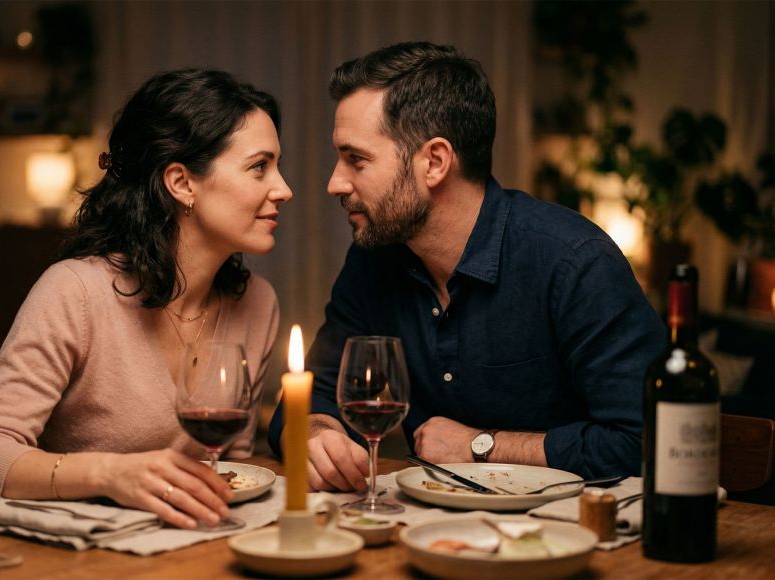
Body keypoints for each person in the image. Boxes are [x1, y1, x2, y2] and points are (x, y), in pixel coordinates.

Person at [268, 41, 665, 491]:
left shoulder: (572, 262)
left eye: (356, 159)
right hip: (426, 536)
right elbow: (312, 394)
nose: (334, 182)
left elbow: (647, 442)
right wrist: (319, 434)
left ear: (434, 162)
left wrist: (483, 446)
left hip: (567, 537)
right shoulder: (374, 259)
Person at [0, 68, 292, 529]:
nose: (283, 189)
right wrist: (110, 473)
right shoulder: (75, 292)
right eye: (259, 167)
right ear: (182, 183)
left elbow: (232, 470)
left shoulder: (256, 303)